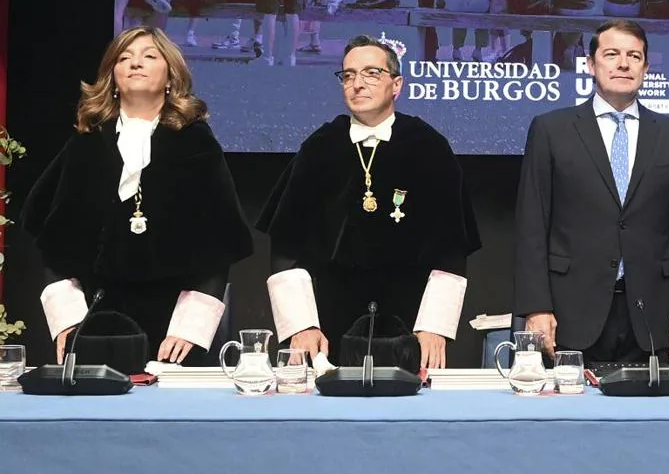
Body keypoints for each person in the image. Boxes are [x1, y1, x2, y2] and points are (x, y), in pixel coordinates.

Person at [20, 26, 253, 369]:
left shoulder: (195, 144)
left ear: (171, 75)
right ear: (112, 77)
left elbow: (218, 247)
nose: (135, 63)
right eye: (124, 58)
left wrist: (189, 329)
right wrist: (69, 321)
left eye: (148, 56)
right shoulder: (86, 146)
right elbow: (54, 242)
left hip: (175, 330)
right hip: (96, 324)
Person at [257, 35, 481, 370]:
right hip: (330, 326)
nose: (357, 84)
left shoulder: (429, 147)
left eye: (371, 73)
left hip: (411, 325)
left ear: (397, 84)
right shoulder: (320, 147)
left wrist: (434, 326)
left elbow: (451, 245)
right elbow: (287, 245)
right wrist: (302, 324)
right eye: (348, 75)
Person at [513, 19, 669, 364]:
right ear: (590, 64)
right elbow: (531, 225)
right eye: (612, 54)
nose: (623, 64)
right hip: (569, 312)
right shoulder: (551, 130)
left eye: (634, 56)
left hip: (651, 315)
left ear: (645, 67)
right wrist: (536, 306)